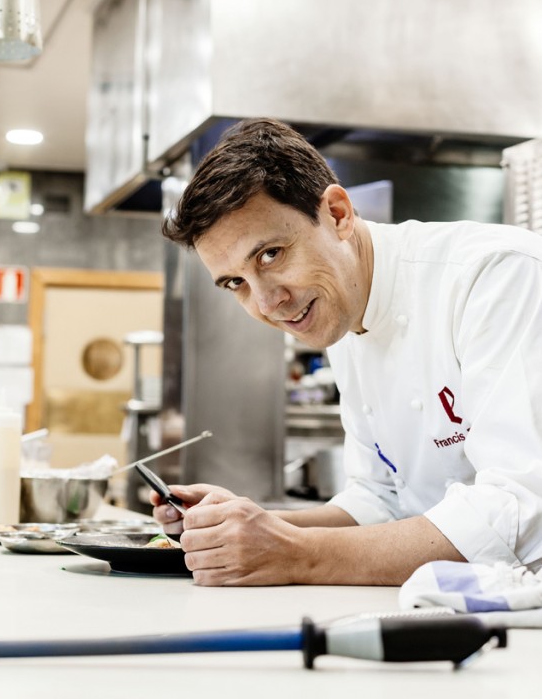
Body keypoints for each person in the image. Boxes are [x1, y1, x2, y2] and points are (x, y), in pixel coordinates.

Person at [149, 117, 542, 587]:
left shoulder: (496, 275)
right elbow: (379, 502)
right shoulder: (340, 309)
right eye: (236, 283)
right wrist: (250, 526)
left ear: (337, 213)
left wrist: (296, 554)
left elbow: (520, 511)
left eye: (271, 254)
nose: (267, 303)